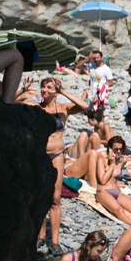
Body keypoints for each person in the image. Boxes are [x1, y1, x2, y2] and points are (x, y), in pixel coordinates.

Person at [23, 77, 89, 250]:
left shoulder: (63, 108)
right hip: (39, 154)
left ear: (55, 90)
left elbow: (84, 106)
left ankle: (55, 241)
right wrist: (24, 90)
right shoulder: (36, 107)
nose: (45, 90)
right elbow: (10, 102)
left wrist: (62, 93)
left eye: (49, 87)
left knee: (55, 198)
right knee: (39, 195)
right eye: (43, 87)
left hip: (57, 155)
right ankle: (41, 235)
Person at [96, 136, 131, 224]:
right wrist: (112, 164)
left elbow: (113, 178)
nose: (118, 152)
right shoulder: (102, 158)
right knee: (119, 210)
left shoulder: (123, 160)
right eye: (115, 149)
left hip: (116, 192)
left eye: (120, 149)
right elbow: (103, 181)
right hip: (103, 191)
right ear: (109, 149)